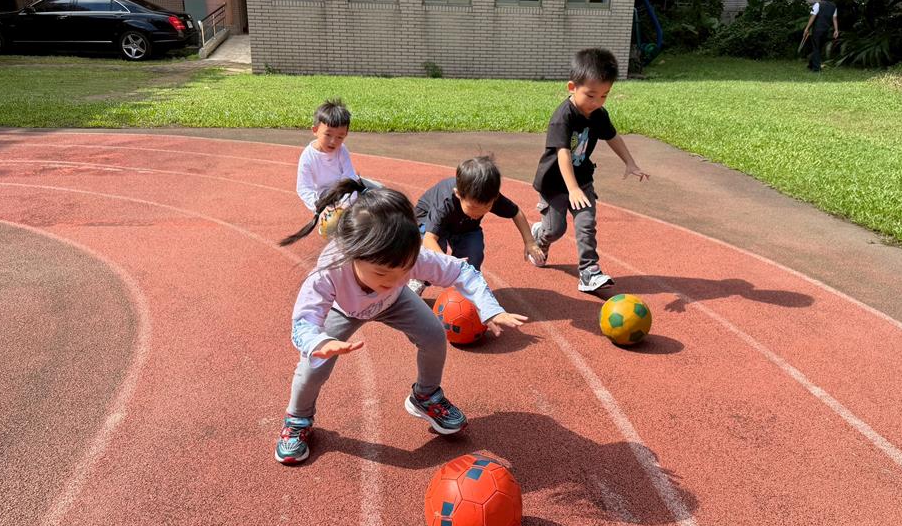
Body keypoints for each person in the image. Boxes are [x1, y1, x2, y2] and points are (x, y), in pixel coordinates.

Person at [275, 180, 528, 464]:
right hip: (344, 309)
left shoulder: (407, 257)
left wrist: (490, 309)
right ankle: (298, 419)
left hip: (394, 301)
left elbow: (462, 271)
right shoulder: (330, 270)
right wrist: (318, 342)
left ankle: (426, 396)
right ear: (352, 253)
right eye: (382, 273)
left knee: (433, 335)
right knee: (313, 364)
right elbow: (304, 320)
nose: (395, 279)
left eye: (404, 271)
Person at [529, 47, 649, 293]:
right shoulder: (563, 116)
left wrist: (630, 162)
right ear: (572, 87)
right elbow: (563, 153)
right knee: (555, 230)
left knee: (586, 224)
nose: (597, 102)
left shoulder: (598, 114)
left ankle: (588, 271)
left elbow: (612, 136)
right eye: (591, 95)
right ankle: (540, 235)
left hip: (582, 180)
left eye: (604, 95)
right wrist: (571, 188)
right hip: (555, 184)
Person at [407, 155, 545, 295]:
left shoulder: (488, 195)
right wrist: (448, 262)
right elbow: (429, 239)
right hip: (427, 222)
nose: (478, 213)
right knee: (433, 253)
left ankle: (464, 289)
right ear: (458, 194)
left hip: (464, 227)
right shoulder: (445, 202)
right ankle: (418, 279)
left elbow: (516, 213)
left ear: (494, 198)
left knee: (473, 254)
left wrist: (530, 242)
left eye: (487, 207)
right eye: (473, 207)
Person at [296, 99, 359, 214]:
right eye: (328, 135)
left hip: (345, 192)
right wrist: (319, 206)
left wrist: (343, 204)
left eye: (340, 137)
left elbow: (349, 178)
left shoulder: (342, 150)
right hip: (325, 198)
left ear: (346, 135)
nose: (333, 141)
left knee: (377, 193)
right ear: (315, 130)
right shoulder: (308, 157)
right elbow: (304, 188)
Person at [803, 0, 839, 72]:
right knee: (818, 48)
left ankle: (816, 69)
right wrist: (836, 30)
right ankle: (811, 65)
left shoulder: (818, 4)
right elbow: (834, 19)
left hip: (817, 30)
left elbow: (813, 17)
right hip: (826, 30)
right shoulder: (833, 6)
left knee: (816, 48)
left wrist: (807, 28)